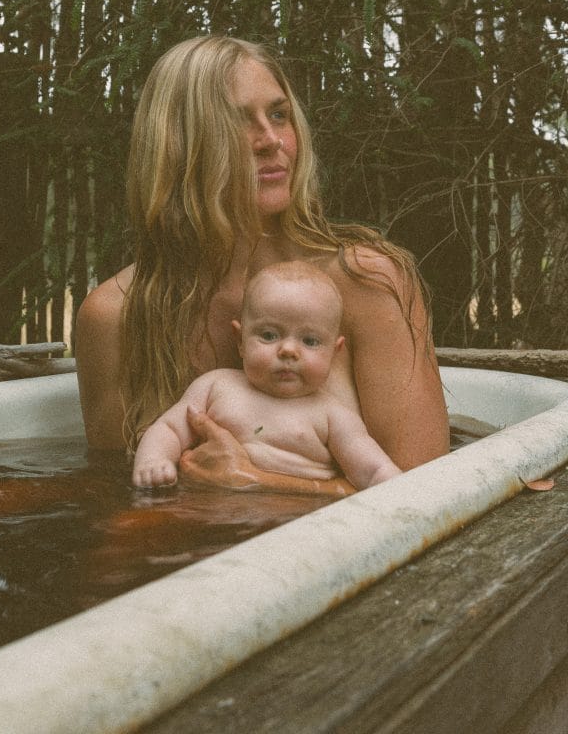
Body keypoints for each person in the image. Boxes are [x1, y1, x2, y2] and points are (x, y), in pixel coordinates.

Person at [75, 35, 449, 495]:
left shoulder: (365, 284)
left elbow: (427, 492)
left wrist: (260, 483)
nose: (272, 141)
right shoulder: (114, 315)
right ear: (179, 146)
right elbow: (113, 496)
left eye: (278, 115)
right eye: (237, 123)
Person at [132, 261, 401, 493]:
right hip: (206, 515)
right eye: (269, 335)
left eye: (309, 340)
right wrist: (154, 461)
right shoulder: (215, 386)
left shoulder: (333, 416)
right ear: (240, 340)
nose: (288, 350)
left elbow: (375, 471)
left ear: (334, 351)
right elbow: (168, 428)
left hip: (296, 525)